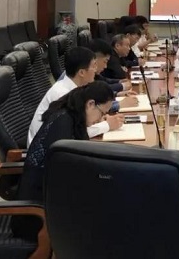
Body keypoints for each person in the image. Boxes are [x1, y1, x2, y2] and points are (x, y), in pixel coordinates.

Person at [15, 82, 118, 238]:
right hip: (37, 216)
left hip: (51, 200)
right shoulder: (63, 123)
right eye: (102, 112)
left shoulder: (69, 116)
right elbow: (68, 175)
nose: (100, 119)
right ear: (90, 104)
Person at [27, 46, 130, 145]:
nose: (96, 70)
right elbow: (74, 133)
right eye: (93, 66)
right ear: (81, 72)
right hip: (46, 149)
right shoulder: (61, 93)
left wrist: (98, 119)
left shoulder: (76, 89)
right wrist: (107, 125)